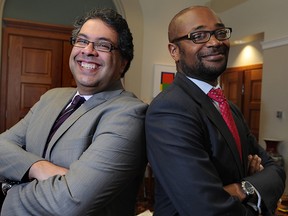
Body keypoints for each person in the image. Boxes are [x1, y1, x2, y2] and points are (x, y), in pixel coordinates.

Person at [0, 8, 148, 215]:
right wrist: (37, 167)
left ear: (123, 63)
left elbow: (69, 202)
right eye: (82, 40)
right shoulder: (51, 97)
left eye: (103, 45)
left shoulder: (130, 114)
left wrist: (10, 187)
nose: (88, 50)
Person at [146, 5, 285, 216]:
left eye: (220, 33)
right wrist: (254, 186)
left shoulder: (230, 109)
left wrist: (242, 188)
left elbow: (275, 171)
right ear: (174, 51)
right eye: (199, 36)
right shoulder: (170, 109)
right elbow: (205, 208)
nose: (215, 42)